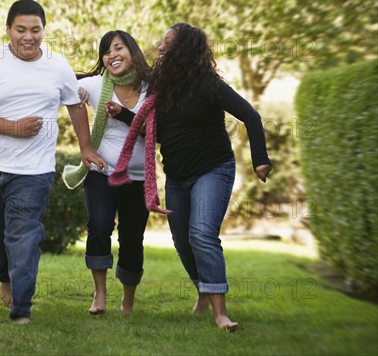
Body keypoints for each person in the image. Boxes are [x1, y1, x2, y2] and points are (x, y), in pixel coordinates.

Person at [110, 23, 272, 330]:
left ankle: (220, 313)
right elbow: (157, 133)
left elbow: (251, 116)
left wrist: (260, 160)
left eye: (167, 43)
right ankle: (203, 288)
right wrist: (123, 115)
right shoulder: (162, 87)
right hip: (177, 176)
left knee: (201, 234)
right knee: (182, 242)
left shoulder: (209, 84)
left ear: (183, 49)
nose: (159, 47)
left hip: (212, 169)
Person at [0, 0, 106, 324]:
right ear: (8, 30)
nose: (28, 37)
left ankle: (21, 310)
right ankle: (4, 274)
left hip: (34, 170)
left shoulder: (57, 65)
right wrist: (13, 128)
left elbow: (75, 104)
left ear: (44, 30)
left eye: (35, 30)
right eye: (21, 29)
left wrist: (85, 147)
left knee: (24, 235)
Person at [62, 30, 151, 315]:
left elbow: (154, 132)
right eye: (106, 51)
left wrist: (123, 114)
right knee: (99, 226)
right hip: (103, 171)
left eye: (118, 48)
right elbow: (64, 90)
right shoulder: (96, 85)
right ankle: (99, 295)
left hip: (138, 177)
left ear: (133, 51)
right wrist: (85, 146)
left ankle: (128, 301)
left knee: (132, 237)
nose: (112, 55)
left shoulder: (153, 88)